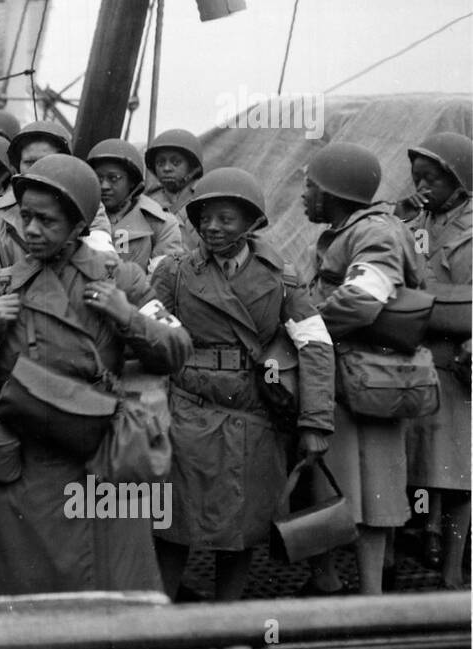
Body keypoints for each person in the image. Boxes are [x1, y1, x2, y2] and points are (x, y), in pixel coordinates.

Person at [0, 156, 191, 595]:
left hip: (93, 454)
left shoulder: (123, 279)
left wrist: (127, 317)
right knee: (15, 592)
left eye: (48, 221)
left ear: (79, 225)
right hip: (20, 459)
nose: (33, 231)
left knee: (105, 589)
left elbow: (176, 351)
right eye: (26, 217)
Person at [150, 169, 335, 601]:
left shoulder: (281, 277)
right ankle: (155, 621)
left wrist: (315, 422)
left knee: (241, 528)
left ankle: (226, 621)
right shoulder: (175, 271)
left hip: (253, 417)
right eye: (205, 218)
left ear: (252, 222)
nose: (212, 227)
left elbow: (315, 344)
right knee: (172, 525)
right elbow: (148, 334)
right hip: (185, 412)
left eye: (226, 218)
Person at [300, 143, 424, 596]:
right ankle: (332, 583)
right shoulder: (353, 229)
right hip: (353, 377)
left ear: (334, 191)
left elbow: (365, 298)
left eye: (310, 185)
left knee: (372, 493)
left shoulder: (374, 233)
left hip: (369, 380)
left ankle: (370, 598)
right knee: (343, 486)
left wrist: (307, 326)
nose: (303, 195)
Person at [402, 132, 471, 589]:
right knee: (420, 470)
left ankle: (452, 569)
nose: (422, 186)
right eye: (418, 177)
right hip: (416, 360)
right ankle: (423, 545)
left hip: (457, 367)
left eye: (433, 178)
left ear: (460, 181)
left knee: (459, 478)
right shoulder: (412, 222)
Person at [0, 120, 114, 265]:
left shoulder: (87, 204)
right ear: (18, 166)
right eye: (29, 162)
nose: (38, 167)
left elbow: (101, 263)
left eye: (47, 160)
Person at [87, 138, 184, 273]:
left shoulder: (162, 223)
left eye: (113, 178)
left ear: (132, 181)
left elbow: (163, 280)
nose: (104, 186)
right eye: (98, 178)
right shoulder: (81, 215)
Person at [144, 128, 205, 250]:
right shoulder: (147, 202)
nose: (166, 168)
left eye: (176, 162)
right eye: (160, 163)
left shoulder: (204, 196)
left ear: (192, 166)